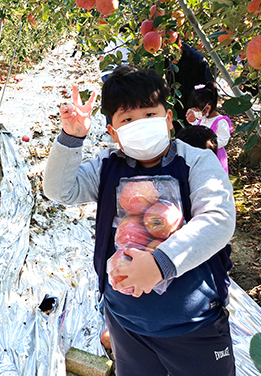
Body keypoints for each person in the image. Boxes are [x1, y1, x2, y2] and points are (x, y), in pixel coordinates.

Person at [43, 65, 235, 376]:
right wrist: (71, 137)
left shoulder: (196, 162)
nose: (140, 125)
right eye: (128, 120)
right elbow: (59, 190)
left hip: (192, 325)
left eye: (149, 114)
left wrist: (161, 263)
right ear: (113, 132)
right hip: (125, 321)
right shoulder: (108, 167)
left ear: (168, 119)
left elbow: (219, 219)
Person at [166, 39, 215, 133]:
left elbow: (209, 90)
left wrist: (198, 111)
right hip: (172, 113)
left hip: (193, 116)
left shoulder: (197, 60)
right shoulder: (161, 59)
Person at [185, 83, 233, 174]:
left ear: (207, 108)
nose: (196, 113)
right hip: (203, 155)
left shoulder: (220, 122)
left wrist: (208, 143)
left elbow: (224, 140)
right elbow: (201, 129)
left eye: (197, 110)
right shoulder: (203, 118)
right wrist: (193, 122)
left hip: (215, 157)